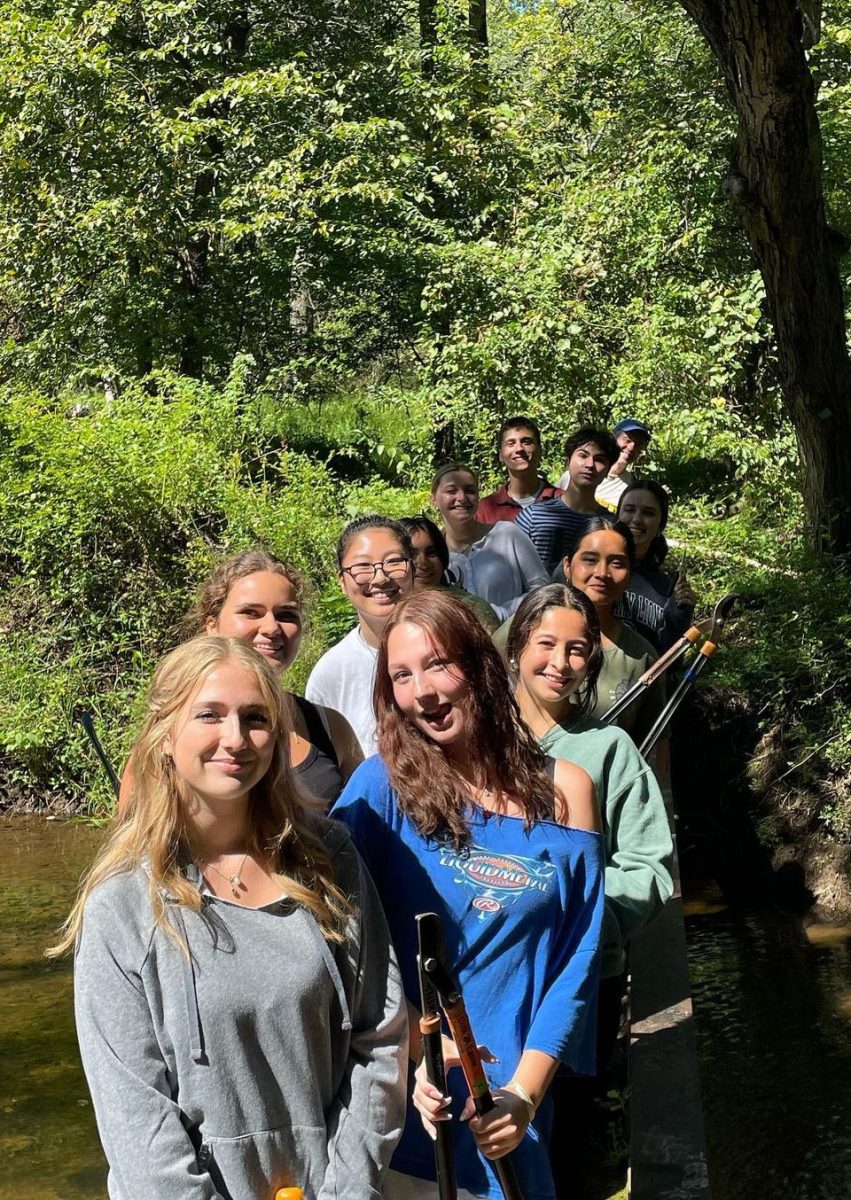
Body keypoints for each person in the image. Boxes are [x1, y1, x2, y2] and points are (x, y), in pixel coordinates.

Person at [57, 635, 407, 1200]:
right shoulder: (121, 903)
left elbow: (381, 1038)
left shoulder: (330, 861)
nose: (235, 739)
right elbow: (135, 1117)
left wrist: (349, 1188)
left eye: (255, 718)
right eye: (209, 715)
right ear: (165, 734)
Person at [332, 589, 605, 1200]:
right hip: (408, 1109)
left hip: (511, 1109)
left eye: (436, 664)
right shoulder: (378, 791)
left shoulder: (566, 792)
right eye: (401, 675)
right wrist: (408, 1050)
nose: (421, 692)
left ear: (481, 663)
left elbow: (576, 961)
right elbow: (332, 939)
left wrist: (525, 1096)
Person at [506, 584, 673, 1195]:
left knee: (567, 1139)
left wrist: (571, 918)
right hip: (493, 980)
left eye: (578, 650)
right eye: (546, 643)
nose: (561, 662)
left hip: (582, 985)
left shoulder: (610, 749)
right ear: (518, 645)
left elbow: (649, 869)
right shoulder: (477, 742)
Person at [118, 550, 363, 813]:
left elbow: (366, 832)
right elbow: (138, 842)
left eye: (286, 615)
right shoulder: (171, 730)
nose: (271, 628)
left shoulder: (328, 727)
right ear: (212, 624)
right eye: (251, 612)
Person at [306, 515, 414, 756]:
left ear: (413, 569)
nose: (380, 577)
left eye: (393, 561)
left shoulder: (449, 646)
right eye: (362, 566)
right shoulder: (330, 673)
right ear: (342, 582)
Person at [562, 518, 665, 748]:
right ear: (567, 566)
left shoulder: (640, 655)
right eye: (590, 559)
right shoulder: (529, 626)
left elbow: (655, 744)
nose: (602, 573)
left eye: (617, 563)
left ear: (630, 574)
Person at [430, 463, 548, 621]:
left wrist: (500, 613)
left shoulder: (507, 535)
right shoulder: (433, 555)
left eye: (470, 491)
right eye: (451, 491)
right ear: (433, 499)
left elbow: (543, 590)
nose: (462, 498)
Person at [516, 427, 619, 574]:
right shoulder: (532, 517)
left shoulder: (611, 525)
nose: (590, 464)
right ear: (567, 462)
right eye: (583, 455)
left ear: (608, 470)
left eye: (599, 460)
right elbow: (511, 571)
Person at [615, 480, 697, 652]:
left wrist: (680, 616)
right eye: (629, 510)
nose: (637, 519)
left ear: (660, 525)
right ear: (618, 516)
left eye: (648, 513)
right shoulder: (593, 567)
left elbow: (669, 658)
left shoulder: (667, 588)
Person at [399, 514, 500, 632]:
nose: (423, 563)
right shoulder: (385, 609)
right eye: (412, 555)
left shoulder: (472, 609)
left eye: (431, 553)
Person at [476, 416, 563, 524]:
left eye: (526, 442)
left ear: (540, 451)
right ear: (501, 455)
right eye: (511, 443)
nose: (519, 449)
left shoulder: (563, 501)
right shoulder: (485, 509)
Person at [557, 418, 652, 512]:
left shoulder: (631, 487)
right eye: (627, 440)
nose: (631, 448)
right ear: (614, 438)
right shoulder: (575, 475)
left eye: (638, 445)